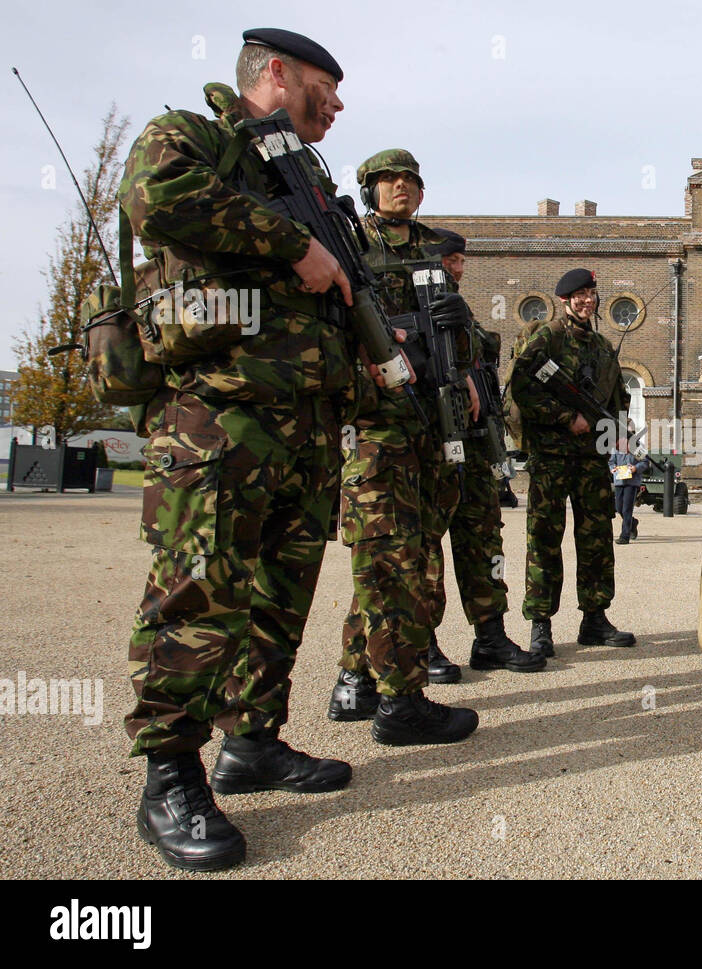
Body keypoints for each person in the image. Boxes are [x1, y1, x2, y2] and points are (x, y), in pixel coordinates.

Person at [122, 28, 364, 871]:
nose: (336, 107)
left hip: (305, 426)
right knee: (198, 593)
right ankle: (170, 774)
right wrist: (292, 243)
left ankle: (254, 741)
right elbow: (157, 195)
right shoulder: (193, 138)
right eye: (324, 91)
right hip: (219, 420)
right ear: (276, 73)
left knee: (280, 596)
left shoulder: (312, 180)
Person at [327, 148, 487, 740]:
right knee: (386, 557)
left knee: (410, 555)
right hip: (377, 421)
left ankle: (356, 680)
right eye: (390, 181)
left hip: (432, 418)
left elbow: (457, 328)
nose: (402, 188)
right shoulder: (351, 244)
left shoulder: (433, 250)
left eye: (411, 181)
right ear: (369, 188)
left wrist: (468, 372)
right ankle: (393, 694)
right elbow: (336, 316)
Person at [509, 268, 636, 656]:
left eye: (591, 294)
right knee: (544, 538)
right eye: (579, 295)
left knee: (596, 538)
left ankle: (595, 618)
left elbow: (618, 398)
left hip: (590, 459)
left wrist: (616, 429)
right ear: (565, 299)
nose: (587, 301)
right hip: (550, 457)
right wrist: (567, 418)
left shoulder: (601, 346)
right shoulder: (546, 337)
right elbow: (522, 387)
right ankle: (541, 624)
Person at [437, 229, 545, 673]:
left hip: (477, 448)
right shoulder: (412, 315)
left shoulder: (464, 318)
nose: (459, 268)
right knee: (420, 551)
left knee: (484, 542)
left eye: (462, 260)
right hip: (433, 445)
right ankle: (418, 646)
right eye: (450, 260)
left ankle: (490, 637)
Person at [609, 446, 649, 543]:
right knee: (619, 508)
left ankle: (625, 536)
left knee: (627, 509)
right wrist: (612, 469)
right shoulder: (615, 449)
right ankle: (633, 522)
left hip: (632, 483)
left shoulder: (638, 449)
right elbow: (611, 462)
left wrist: (636, 468)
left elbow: (645, 462)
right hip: (619, 481)